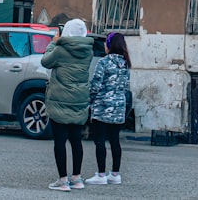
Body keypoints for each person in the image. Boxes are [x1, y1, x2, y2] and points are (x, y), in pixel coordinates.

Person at [41, 18, 94, 192]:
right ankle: (77, 178)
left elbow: (45, 62)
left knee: (60, 140)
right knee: (76, 140)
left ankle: (63, 180)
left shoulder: (60, 50)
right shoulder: (88, 51)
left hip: (60, 100)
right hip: (78, 100)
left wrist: (53, 42)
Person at [85, 32, 131, 186]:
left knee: (99, 141)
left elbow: (95, 85)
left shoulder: (104, 62)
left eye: (106, 43)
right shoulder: (126, 63)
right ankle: (115, 174)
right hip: (118, 108)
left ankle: (101, 174)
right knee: (115, 141)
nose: (104, 45)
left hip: (102, 107)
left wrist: (90, 101)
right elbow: (125, 86)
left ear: (110, 45)